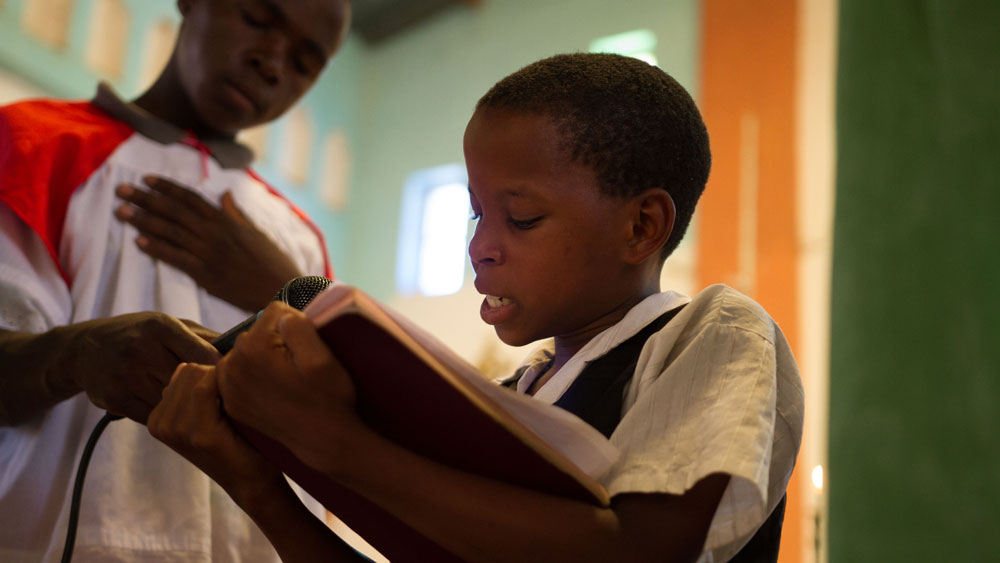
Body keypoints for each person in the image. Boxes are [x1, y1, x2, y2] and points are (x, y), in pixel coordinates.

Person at [148, 53, 804, 562]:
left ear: (641, 227)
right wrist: (256, 481)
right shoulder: (511, 401)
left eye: (521, 218)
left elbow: (634, 552)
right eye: (476, 211)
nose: (480, 246)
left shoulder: (712, 335)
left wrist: (343, 448)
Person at [0, 0, 351, 561]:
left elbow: (333, 438)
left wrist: (282, 286)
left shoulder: (298, 243)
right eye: (259, 19)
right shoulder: (31, 146)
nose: (273, 64)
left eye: (306, 61)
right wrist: (73, 353)